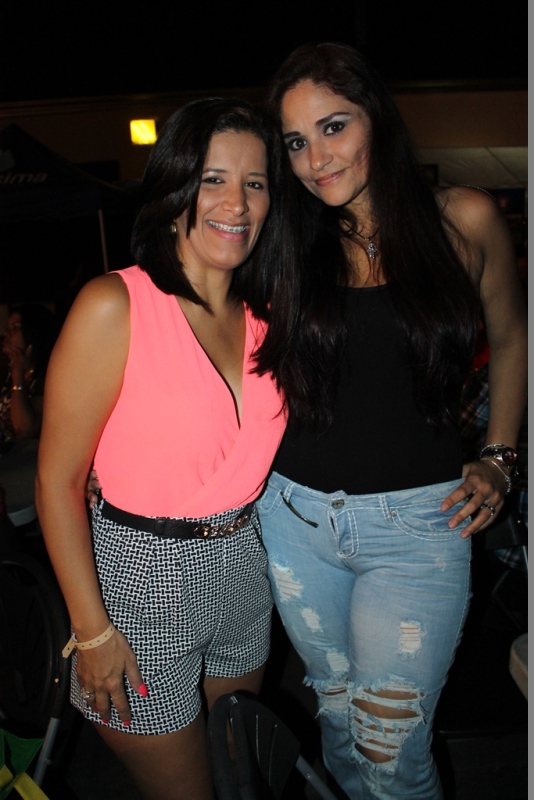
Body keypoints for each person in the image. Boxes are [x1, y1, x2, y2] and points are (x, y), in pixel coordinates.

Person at [252, 42, 527, 800]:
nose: (315, 160)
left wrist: (500, 456)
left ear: (377, 117)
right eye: (295, 142)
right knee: (339, 721)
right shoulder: (286, 239)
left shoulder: (463, 219)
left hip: (420, 530)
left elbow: (512, 337)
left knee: (392, 747)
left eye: (333, 127)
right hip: (294, 519)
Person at [35, 97, 301, 800]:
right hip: (140, 580)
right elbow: (57, 482)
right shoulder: (113, 305)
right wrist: (92, 632)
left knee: (241, 782)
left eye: (255, 182)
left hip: (243, 569)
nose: (236, 203)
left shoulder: (269, 318)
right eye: (213, 178)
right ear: (176, 186)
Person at [0, 303, 58, 451]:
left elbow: (24, 430)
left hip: (27, 457)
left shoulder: (46, 377)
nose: (7, 334)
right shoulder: (9, 370)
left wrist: (18, 376)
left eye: (15, 328)